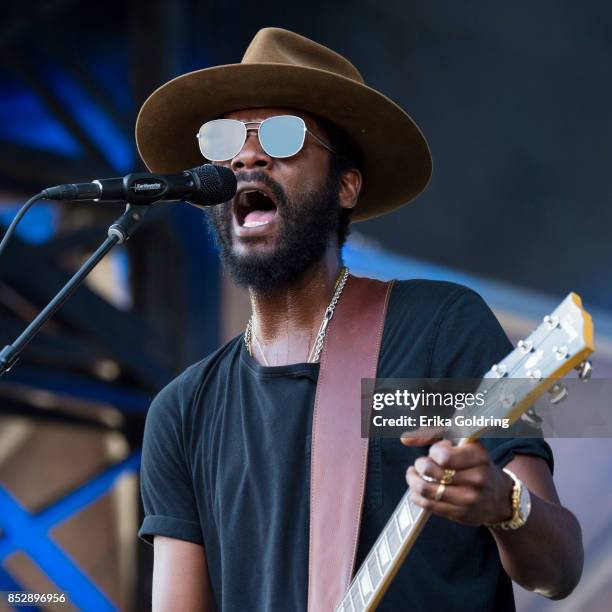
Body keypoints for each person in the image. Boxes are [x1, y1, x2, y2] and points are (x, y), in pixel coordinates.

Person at [136, 27, 583, 611]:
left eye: (283, 134)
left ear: (345, 186)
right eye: (223, 139)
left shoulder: (438, 328)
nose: (247, 154)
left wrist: (505, 505)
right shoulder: (183, 412)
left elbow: (560, 568)